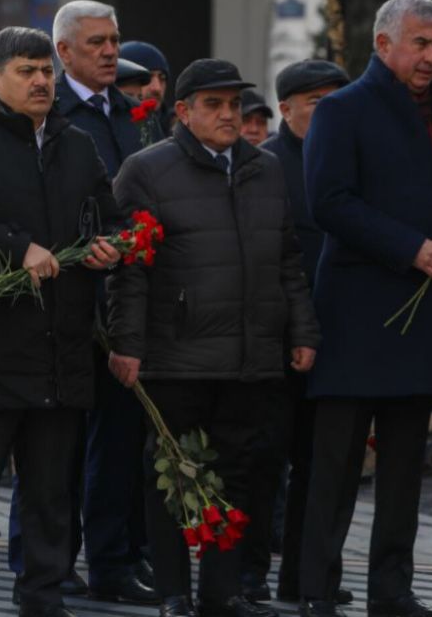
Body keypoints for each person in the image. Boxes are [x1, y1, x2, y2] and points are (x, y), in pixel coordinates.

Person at [0, 25, 123, 617]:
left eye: (46, 71)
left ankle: (42, 598)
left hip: (60, 351)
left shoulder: (76, 143)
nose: (40, 81)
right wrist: (16, 247)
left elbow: (106, 216)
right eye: (26, 71)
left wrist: (108, 245)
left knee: (52, 494)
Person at [107, 58, 320, 617]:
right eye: (213, 104)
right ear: (182, 111)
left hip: (250, 353)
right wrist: (126, 345)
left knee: (237, 474)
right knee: (173, 476)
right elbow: (129, 270)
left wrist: (301, 329)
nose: (228, 115)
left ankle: (221, 593)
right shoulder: (146, 170)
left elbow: (288, 259)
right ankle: (175, 592)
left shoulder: (265, 167)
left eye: (233, 104)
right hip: (176, 354)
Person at [298, 0, 432, 617]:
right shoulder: (342, 111)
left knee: (404, 471)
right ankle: (315, 590)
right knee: (338, 467)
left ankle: (392, 593)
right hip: (356, 317)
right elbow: (329, 201)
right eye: (420, 43)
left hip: (423, 316)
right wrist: (408, 247)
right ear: (383, 45)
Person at [48, 0, 152, 606]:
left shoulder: (132, 115)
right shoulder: (47, 112)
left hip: (123, 301)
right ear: (63, 53)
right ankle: (52, 561)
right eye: (96, 43)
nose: (112, 51)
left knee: (117, 442)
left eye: (114, 39)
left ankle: (111, 564)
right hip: (64, 299)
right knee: (55, 444)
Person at [246, 60, 351, 607]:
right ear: (284, 109)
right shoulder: (263, 166)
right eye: (314, 100)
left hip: (335, 341)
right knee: (264, 463)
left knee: (320, 465)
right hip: (275, 339)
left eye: (336, 98)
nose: (327, 109)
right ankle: (252, 573)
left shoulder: (352, 159)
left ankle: (308, 577)